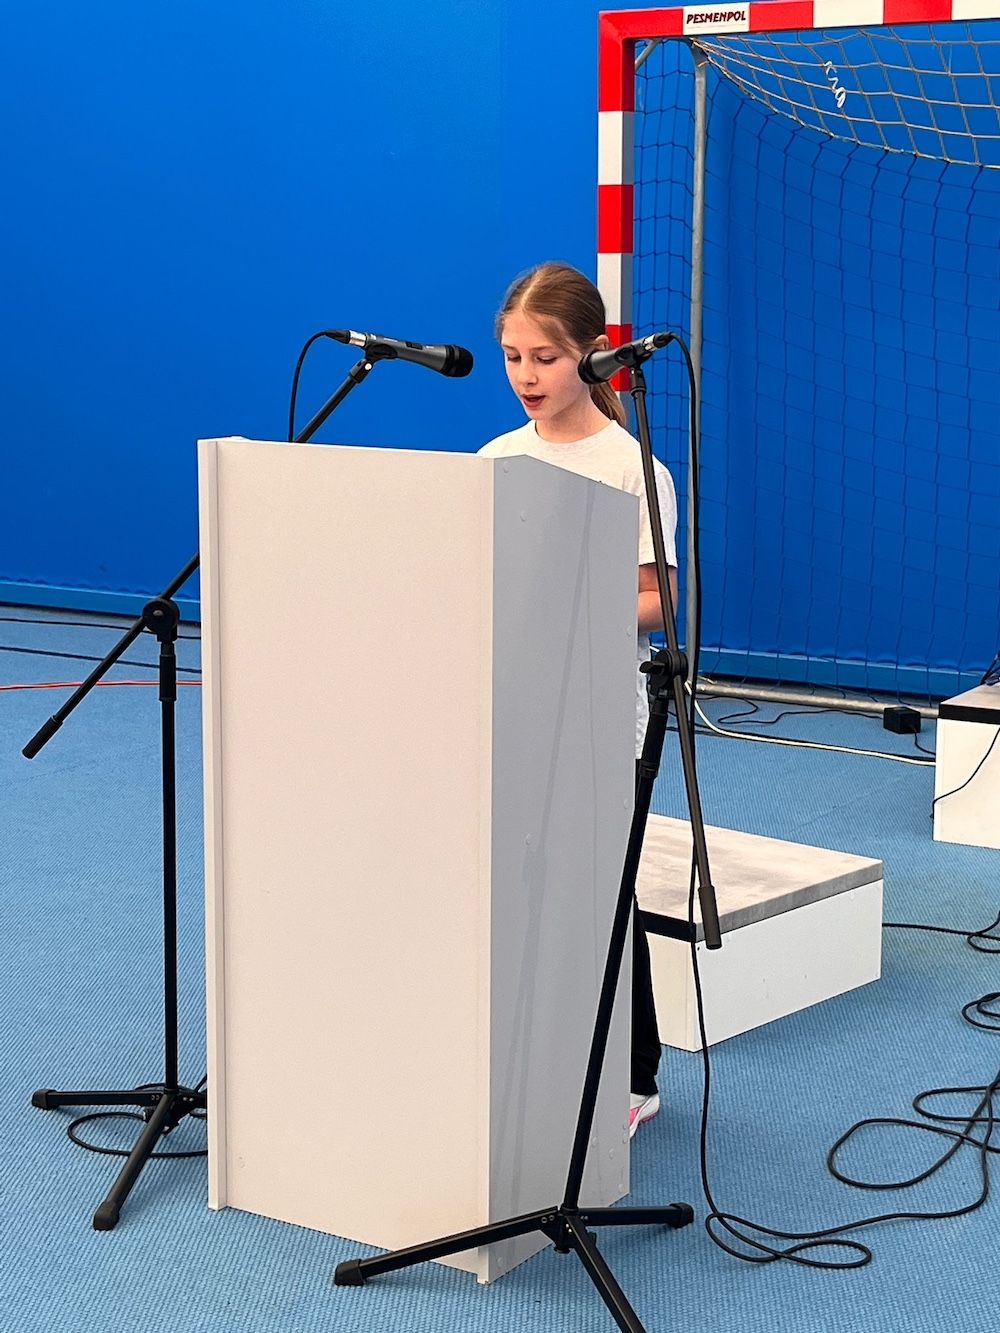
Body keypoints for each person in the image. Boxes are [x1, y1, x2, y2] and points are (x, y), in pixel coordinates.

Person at [479, 261, 678, 1138]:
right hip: (514, 709)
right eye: (513, 357)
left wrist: (566, 600)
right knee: (524, 885)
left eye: (546, 358)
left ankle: (635, 1078)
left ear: (594, 355)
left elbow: (660, 599)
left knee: (601, 894)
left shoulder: (632, 469)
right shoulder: (495, 460)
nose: (526, 376)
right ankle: (540, 1051)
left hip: (603, 717)